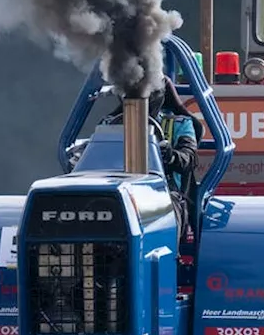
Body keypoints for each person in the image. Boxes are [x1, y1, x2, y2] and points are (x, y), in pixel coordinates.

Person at [78, 76, 201, 239]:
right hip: (118, 191)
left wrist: (171, 156)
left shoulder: (180, 123)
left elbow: (190, 157)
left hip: (166, 195)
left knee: (160, 221)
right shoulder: (109, 125)